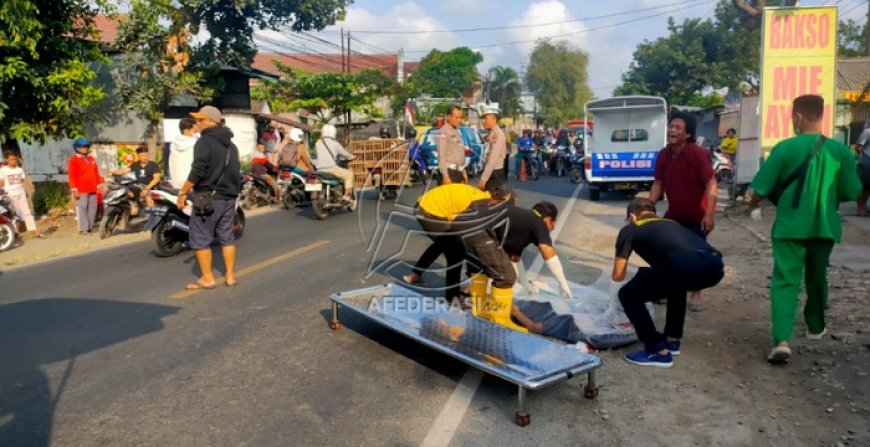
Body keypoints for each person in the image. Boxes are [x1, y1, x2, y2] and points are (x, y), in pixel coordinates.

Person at [747, 95, 862, 364]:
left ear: (798, 117)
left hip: (789, 227)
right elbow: (852, 191)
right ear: (822, 115)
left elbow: (761, 186)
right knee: (817, 276)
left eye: (792, 117)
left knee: (785, 281)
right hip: (825, 227)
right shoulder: (841, 151)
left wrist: (752, 204)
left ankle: (782, 341)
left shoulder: (785, 148)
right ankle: (815, 325)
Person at [612, 198, 724, 368]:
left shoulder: (630, 229)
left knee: (627, 295)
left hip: (683, 267)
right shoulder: (671, 223)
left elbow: (618, 275)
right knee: (675, 282)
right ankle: (672, 339)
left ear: (632, 217)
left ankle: (656, 351)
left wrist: (614, 298)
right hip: (714, 266)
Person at [414, 183, 540, 333]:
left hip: (429, 206)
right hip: (430, 211)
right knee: (455, 253)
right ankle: (451, 299)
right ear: (499, 200)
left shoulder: (483, 199)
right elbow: (471, 238)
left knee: (445, 244)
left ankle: (416, 274)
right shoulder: (479, 204)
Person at [649, 112, 717, 312]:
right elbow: (658, 183)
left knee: (696, 254)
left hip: (698, 216)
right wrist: (647, 208)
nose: (672, 130)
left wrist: (709, 214)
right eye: (671, 126)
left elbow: (711, 183)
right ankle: (666, 288)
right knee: (663, 249)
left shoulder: (697, 154)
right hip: (675, 214)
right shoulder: (664, 154)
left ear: (688, 134)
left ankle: (696, 293)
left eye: (678, 127)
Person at [176, 105, 242, 290]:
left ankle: (207, 278)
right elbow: (236, 172)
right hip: (229, 197)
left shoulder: (204, 142)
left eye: (201, 119)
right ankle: (230, 276)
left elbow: (198, 170)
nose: (197, 123)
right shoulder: (231, 145)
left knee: (200, 237)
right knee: (226, 236)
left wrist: (183, 192)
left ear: (212, 121)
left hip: (208, 198)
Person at [489, 201, 573, 298]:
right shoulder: (539, 222)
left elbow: (514, 258)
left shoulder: (523, 223)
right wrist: (563, 285)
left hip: (478, 229)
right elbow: (547, 250)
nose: (553, 228)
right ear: (547, 219)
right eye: (553, 223)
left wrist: (527, 286)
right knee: (507, 280)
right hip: (480, 236)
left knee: (507, 273)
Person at [0, 151, 44, 238]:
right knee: (14, 214)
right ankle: (14, 232)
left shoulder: (19, 170)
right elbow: (1, 182)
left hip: (21, 193)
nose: (14, 161)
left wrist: (23, 190)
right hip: (10, 194)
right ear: (7, 160)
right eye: (12, 159)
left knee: (27, 212)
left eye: (15, 159)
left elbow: (22, 181)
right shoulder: (3, 170)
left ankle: (33, 230)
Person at [67, 138, 103, 235]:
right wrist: (74, 189)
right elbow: (71, 175)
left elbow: (96, 172)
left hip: (93, 187)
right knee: (82, 208)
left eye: (86, 146)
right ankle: (83, 229)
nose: (85, 148)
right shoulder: (73, 160)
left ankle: (89, 228)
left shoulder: (91, 159)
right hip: (81, 189)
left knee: (93, 208)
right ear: (77, 148)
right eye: (82, 147)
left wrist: (99, 184)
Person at [313, 123, 356, 203]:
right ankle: (346, 195)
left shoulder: (317, 144)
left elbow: (313, 158)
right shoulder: (335, 144)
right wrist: (352, 157)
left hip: (319, 171)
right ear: (333, 132)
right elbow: (345, 154)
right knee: (349, 174)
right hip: (331, 169)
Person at [112, 145, 161, 212]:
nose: (144, 157)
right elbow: (124, 171)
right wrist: (112, 172)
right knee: (124, 187)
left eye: (146, 155)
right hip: (137, 186)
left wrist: (147, 188)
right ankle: (132, 206)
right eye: (142, 156)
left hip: (149, 186)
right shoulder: (135, 164)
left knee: (138, 190)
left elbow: (156, 178)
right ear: (138, 156)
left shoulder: (154, 165)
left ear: (148, 155)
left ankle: (148, 205)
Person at [478, 106, 508, 197]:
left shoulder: (498, 134)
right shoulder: (491, 134)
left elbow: (492, 159)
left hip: (494, 172)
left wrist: (484, 178)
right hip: (490, 170)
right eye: (483, 119)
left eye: (486, 119)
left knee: (494, 200)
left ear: (494, 119)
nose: (483, 121)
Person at [437, 105, 467, 184]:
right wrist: (445, 176)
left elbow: (459, 154)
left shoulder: (457, 131)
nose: (459, 120)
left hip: (458, 171)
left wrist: (463, 171)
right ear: (448, 117)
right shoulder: (444, 132)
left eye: (460, 118)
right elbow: (441, 155)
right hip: (449, 172)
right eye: (456, 117)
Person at [169, 118, 199, 188]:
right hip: (192, 184)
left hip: (177, 184)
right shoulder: (196, 144)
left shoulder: (173, 145)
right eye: (195, 131)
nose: (197, 133)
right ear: (186, 131)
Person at [855, 120, 870, 216]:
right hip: (867, 162)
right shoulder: (867, 132)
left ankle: (863, 205)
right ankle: (860, 207)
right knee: (866, 186)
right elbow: (858, 147)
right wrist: (862, 156)